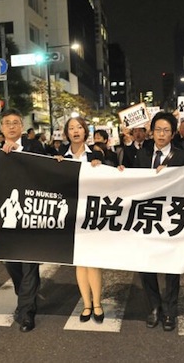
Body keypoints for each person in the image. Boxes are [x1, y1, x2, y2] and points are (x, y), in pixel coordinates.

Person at [126, 111, 184, 332]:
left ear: (173, 134)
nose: (161, 134)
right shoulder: (143, 155)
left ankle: (170, 311)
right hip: (147, 217)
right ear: (151, 132)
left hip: (171, 220)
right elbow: (131, 179)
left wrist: (171, 174)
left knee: (171, 267)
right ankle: (154, 306)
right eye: (157, 130)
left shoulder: (182, 156)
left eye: (166, 130)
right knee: (147, 265)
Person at [0, 108, 45, 333]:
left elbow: (45, 171)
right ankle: (27, 294)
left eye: (15, 122)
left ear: (22, 126)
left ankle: (27, 311)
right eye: (7, 122)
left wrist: (18, 151)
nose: (11, 126)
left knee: (30, 263)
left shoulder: (34, 148)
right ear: (1, 128)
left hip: (31, 215)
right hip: (5, 217)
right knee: (11, 262)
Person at [55, 117, 106, 324]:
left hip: (91, 214)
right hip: (69, 214)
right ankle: (86, 304)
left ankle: (97, 303)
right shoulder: (59, 157)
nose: (75, 131)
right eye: (71, 128)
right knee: (79, 261)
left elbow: (112, 177)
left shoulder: (96, 155)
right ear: (66, 134)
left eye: (79, 127)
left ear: (85, 132)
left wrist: (100, 166)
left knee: (92, 260)